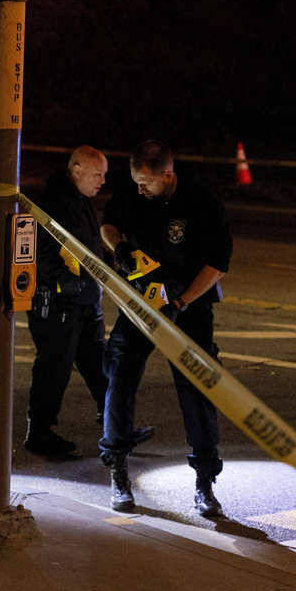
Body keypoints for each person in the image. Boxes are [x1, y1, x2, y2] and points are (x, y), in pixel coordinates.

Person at [99, 139, 232, 517]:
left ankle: (205, 481)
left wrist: (182, 302)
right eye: (135, 182)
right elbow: (109, 222)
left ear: (167, 176)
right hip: (140, 301)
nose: (139, 190)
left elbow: (218, 262)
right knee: (120, 376)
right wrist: (119, 247)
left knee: (195, 389)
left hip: (187, 306)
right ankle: (118, 469)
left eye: (147, 183)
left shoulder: (200, 199)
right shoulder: (133, 190)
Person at [25, 146, 155, 457]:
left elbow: (89, 247)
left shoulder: (79, 200)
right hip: (59, 302)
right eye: (98, 174)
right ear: (77, 169)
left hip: (84, 300)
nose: (102, 181)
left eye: (105, 175)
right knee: (54, 367)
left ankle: (115, 426)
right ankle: (39, 433)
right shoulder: (53, 203)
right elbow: (38, 249)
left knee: (100, 366)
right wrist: (68, 282)